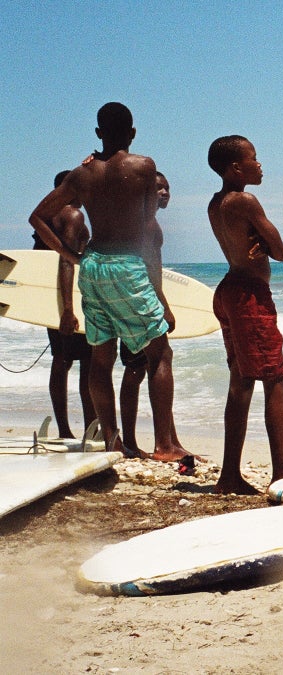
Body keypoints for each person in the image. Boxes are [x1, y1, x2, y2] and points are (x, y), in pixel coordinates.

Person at [28, 103, 185, 462]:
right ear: (132, 132)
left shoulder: (80, 175)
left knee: (101, 357)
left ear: (98, 132)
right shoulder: (144, 167)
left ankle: (111, 440)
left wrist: (70, 256)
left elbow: (38, 216)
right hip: (127, 264)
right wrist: (159, 294)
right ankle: (165, 444)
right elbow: (147, 230)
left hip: (93, 265)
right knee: (159, 352)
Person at [206, 135, 283, 494]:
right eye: (253, 159)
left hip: (228, 290)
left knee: (241, 383)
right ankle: (281, 474)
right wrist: (262, 235)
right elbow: (281, 251)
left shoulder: (215, 203)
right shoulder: (245, 201)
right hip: (249, 297)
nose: (260, 165)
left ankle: (229, 475)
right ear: (236, 168)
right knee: (275, 379)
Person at [118, 172, 188, 460]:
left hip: (127, 300)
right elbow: (151, 271)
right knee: (150, 365)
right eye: (158, 187)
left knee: (141, 368)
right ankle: (150, 443)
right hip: (140, 302)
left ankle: (151, 441)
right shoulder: (147, 226)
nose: (164, 192)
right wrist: (165, 307)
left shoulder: (138, 221)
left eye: (167, 188)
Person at [35, 170, 95, 438]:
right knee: (88, 362)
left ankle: (65, 430)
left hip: (54, 297)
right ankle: (91, 429)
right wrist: (69, 310)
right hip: (71, 300)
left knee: (61, 360)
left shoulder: (48, 219)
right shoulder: (73, 215)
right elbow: (66, 260)